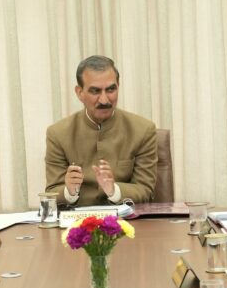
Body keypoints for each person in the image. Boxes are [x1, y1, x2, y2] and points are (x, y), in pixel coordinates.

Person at [44, 55, 158, 206]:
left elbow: (146, 191)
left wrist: (114, 191)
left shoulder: (143, 130)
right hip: (78, 219)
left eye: (111, 89)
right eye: (95, 91)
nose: (104, 100)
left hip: (125, 218)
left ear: (118, 86)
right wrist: (69, 191)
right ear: (79, 92)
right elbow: (51, 192)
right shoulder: (58, 134)